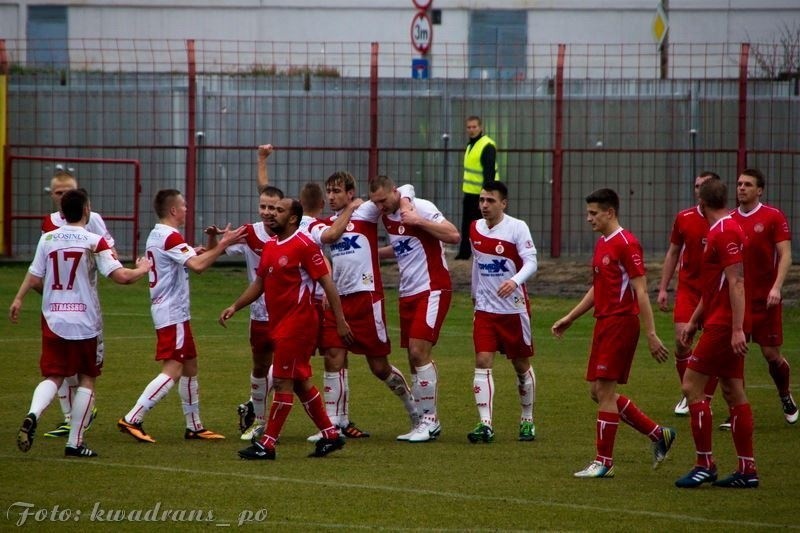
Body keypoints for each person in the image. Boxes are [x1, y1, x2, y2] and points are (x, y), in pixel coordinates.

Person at [10, 189, 151, 457]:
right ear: (86, 210)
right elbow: (120, 276)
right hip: (85, 321)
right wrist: (142, 269)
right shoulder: (93, 241)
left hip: (53, 318)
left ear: (62, 213)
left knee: (54, 375)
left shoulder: (48, 239)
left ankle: (33, 413)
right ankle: (75, 442)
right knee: (87, 377)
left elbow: (34, 274)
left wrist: (18, 299)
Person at [551, 188, 674, 478]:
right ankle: (659, 434)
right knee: (597, 392)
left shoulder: (627, 243)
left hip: (621, 322)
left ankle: (603, 461)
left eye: (594, 213)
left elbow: (641, 291)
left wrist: (651, 333)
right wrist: (571, 317)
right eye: (588, 213)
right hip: (604, 322)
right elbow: (599, 287)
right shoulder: (603, 243)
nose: (588, 218)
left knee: (605, 391)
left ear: (610, 213)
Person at [221, 198, 353, 460]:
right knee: (301, 382)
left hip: (299, 324)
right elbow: (259, 283)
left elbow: (328, 284)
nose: (271, 214)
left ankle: (267, 444)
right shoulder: (271, 245)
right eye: (270, 210)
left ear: (293, 218)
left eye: (279, 211)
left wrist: (339, 320)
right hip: (280, 324)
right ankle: (329, 434)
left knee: (282, 381)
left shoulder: (305, 245)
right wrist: (235, 306)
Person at [117, 189, 246, 443]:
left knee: (190, 365)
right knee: (173, 369)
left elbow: (195, 258)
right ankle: (133, 417)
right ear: (174, 210)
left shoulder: (160, 234)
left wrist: (210, 243)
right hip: (171, 312)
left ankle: (194, 426)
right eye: (184, 205)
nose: (187, 209)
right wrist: (223, 243)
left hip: (174, 312)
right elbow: (198, 267)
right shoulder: (170, 237)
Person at [304, 171, 419, 441]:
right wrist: (349, 211)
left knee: (379, 367)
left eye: (337, 192)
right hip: (337, 299)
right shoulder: (322, 224)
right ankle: (331, 426)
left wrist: (404, 206)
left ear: (351, 193)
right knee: (334, 357)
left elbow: (404, 187)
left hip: (367, 298)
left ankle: (417, 412)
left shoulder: (367, 211)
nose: (332, 197)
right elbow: (330, 237)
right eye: (329, 192)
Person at [675, 178, 759, 488]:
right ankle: (747, 470)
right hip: (720, 319)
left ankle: (704, 463)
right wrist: (696, 319)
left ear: (702, 204)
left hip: (725, 325)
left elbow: (736, 282)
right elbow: (716, 287)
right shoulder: (728, 228)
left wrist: (736, 328)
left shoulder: (723, 232)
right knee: (732, 391)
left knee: (691, 387)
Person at [370, 175, 461, 442]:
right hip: (408, 292)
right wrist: (371, 252)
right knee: (412, 358)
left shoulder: (419, 207)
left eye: (384, 201)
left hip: (432, 287)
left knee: (418, 351)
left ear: (395, 192)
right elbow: (401, 247)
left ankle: (431, 421)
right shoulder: (388, 214)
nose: (380, 207)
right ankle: (424, 420)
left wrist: (418, 219)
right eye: (376, 203)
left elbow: (454, 235)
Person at [207, 184, 285, 442]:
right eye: (263, 206)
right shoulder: (249, 232)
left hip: (287, 313)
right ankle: (260, 421)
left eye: (273, 207)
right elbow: (217, 251)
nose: (267, 212)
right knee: (260, 367)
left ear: (283, 209)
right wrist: (215, 238)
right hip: (260, 315)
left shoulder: (292, 234)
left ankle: (323, 425)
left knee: (291, 370)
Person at [41, 169, 115, 438]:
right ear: (52, 195)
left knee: (81, 365)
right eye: (58, 192)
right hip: (57, 304)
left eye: (68, 192)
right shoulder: (48, 224)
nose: (63, 196)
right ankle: (70, 417)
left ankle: (78, 414)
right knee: (60, 366)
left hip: (85, 304)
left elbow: (110, 248)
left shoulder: (92, 220)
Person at [466, 181, 539, 443]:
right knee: (482, 362)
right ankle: (485, 424)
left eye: (490, 201)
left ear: (503, 203)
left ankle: (527, 419)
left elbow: (532, 262)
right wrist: (474, 294)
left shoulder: (517, 227)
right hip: (485, 310)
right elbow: (477, 263)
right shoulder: (474, 228)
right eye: (482, 200)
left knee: (521, 366)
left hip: (513, 310)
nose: (484, 205)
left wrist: (515, 281)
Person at [730, 168, 797, 424]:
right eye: (739, 184)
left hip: (765, 300)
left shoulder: (772, 217)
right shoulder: (729, 219)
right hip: (738, 301)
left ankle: (784, 394)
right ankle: (737, 409)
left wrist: (777, 287)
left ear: (759, 190)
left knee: (771, 355)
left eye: (747, 184)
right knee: (735, 354)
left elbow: (785, 255)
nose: (741, 188)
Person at [657, 172, 721, 416]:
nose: (699, 189)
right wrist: (663, 287)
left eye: (704, 185)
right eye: (696, 186)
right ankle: (690, 392)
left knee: (712, 348)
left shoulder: (725, 219)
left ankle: (704, 397)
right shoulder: (684, 217)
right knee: (682, 342)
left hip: (716, 293)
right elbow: (673, 252)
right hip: (688, 290)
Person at [456, 116, 499, 260]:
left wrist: (486, 196)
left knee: (486, 226)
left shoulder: (487, 145)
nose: (471, 130)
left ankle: (487, 252)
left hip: (482, 195)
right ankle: (464, 253)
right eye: (469, 127)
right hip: (470, 194)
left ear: (481, 128)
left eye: (474, 127)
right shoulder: (471, 145)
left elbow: (489, 173)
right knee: (468, 225)